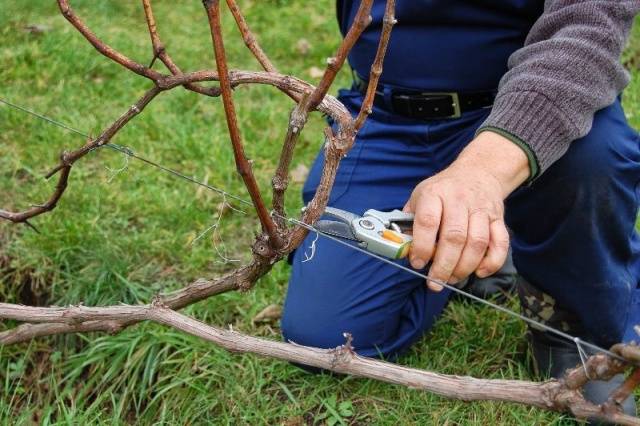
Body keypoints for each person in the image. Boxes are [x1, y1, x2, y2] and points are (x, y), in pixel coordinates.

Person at [282, 0, 640, 417]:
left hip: (538, 105)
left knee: (593, 161)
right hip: (386, 118)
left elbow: (587, 32)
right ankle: (470, 252)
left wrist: (483, 173)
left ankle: (573, 328)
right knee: (320, 338)